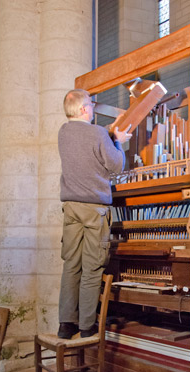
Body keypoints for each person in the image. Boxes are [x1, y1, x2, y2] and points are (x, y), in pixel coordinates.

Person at [57, 88, 132, 339]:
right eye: (89, 104)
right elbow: (116, 165)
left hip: (71, 208)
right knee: (92, 268)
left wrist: (107, 134)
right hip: (94, 210)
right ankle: (87, 326)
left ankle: (66, 324)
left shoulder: (63, 132)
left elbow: (84, 147)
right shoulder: (98, 133)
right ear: (82, 109)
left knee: (71, 266)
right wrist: (117, 139)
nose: (92, 108)